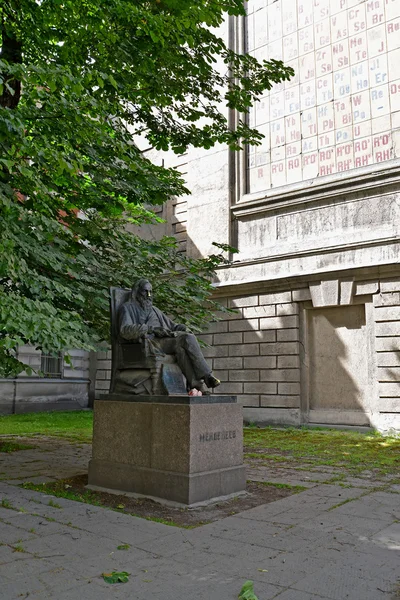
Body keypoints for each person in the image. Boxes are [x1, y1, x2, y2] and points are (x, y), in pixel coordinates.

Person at [118, 279, 220, 392]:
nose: (148, 295)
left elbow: (173, 326)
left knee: (182, 347)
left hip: (162, 343)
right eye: (145, 292)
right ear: (137, 292)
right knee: (186, 339)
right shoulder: (127, 308)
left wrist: (184, 328)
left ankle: (197, 385)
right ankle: (206, 376)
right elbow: (125, 330)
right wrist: (151, 329)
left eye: (150, 292)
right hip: (146, 345)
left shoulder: (155, 310)